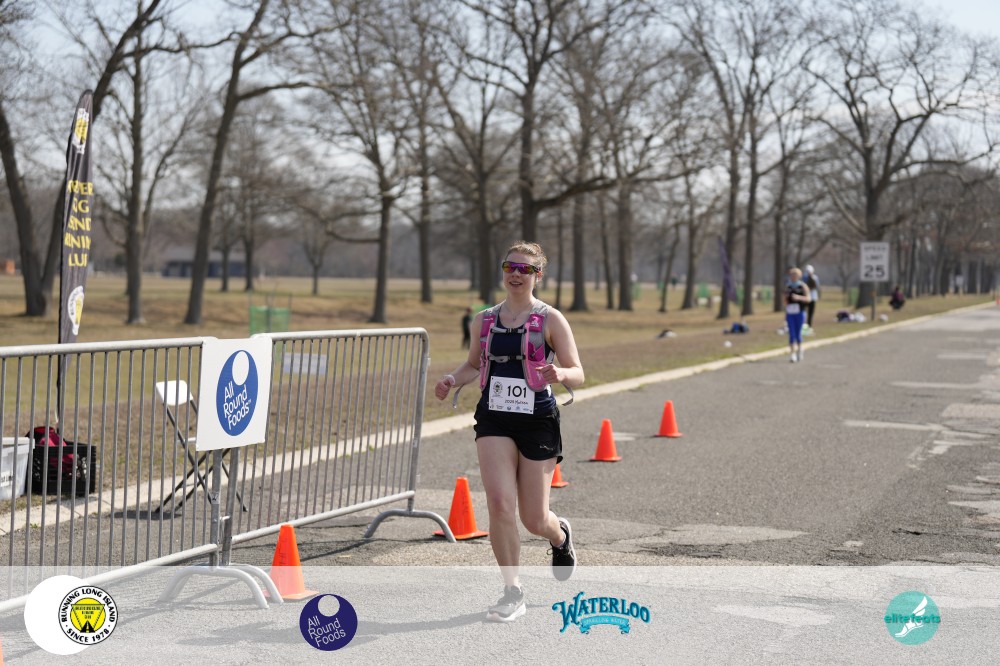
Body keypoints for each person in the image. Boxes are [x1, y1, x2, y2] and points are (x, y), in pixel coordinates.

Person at [434, 241, 584, 623]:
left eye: (525, 269)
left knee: (534, 519)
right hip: (494, 418)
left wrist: (560, 373)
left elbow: (578, 373)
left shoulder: (550, 319)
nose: (516, 274)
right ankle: (512, 590)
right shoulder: (484, 320)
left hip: (537, 419)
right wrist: (452, 379)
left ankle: (559, 535)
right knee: (500, 504)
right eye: (510, 267)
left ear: (538, 275)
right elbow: (473, 365)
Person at [784, 267, 811, 363]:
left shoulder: (802, 286)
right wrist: (786, 300)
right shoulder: (788, 286)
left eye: (795, 275)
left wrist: (798, 298)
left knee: (798, 333)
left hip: (800, 312)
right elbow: (784, 300)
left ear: (799, 276)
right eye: (792, 275)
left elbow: (808, 299)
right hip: (790, 313)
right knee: (791, 333)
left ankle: (800, 350)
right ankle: (792, 354)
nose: (793, 277)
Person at [803, 265, 820, 329]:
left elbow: (817, 286)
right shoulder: (804, 277)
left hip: (813, 297)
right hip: (805, 297)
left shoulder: (815, 277)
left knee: (811, 312)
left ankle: (809, 326)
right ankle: (803, 324)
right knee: (804, 311)